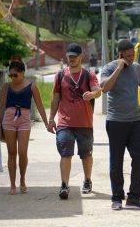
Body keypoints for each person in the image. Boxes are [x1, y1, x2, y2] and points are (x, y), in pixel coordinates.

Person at [47, 43, 101, 200]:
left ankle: (87, 179)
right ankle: (64, 185)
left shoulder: (88, 74)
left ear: (81, 56)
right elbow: (55, 98)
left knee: (86, 154)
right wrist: (51, 119)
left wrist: (92, 94)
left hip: (84, 123)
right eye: (69, 56)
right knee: (65, 152)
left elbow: (97, 91)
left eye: (74, 57)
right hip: (65, 123)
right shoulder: (60, 75)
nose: (71, 59)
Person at [100, 39, 140, 210]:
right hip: (116, 122)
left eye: (132, 55)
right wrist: (119, 68)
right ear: (120, 55)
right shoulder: (109, 68)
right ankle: (116, 197)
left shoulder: (137, 68)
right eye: (127, 56)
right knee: (116, 160)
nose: (130, 59)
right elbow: (105, 88)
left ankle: (134, 197)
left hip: (136, 121)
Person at [0, 60, 49, 195]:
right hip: (9, 118)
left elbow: (40, 106)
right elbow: (0, 106)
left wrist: (47, 123)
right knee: (12, 152)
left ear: (22, 73)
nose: (13, 78)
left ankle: (22, 179)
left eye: (15, 75)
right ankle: (12, 184)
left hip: (24, 119)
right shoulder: (6, 87)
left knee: (22, 152)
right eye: (10, 75)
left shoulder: (32, 86)